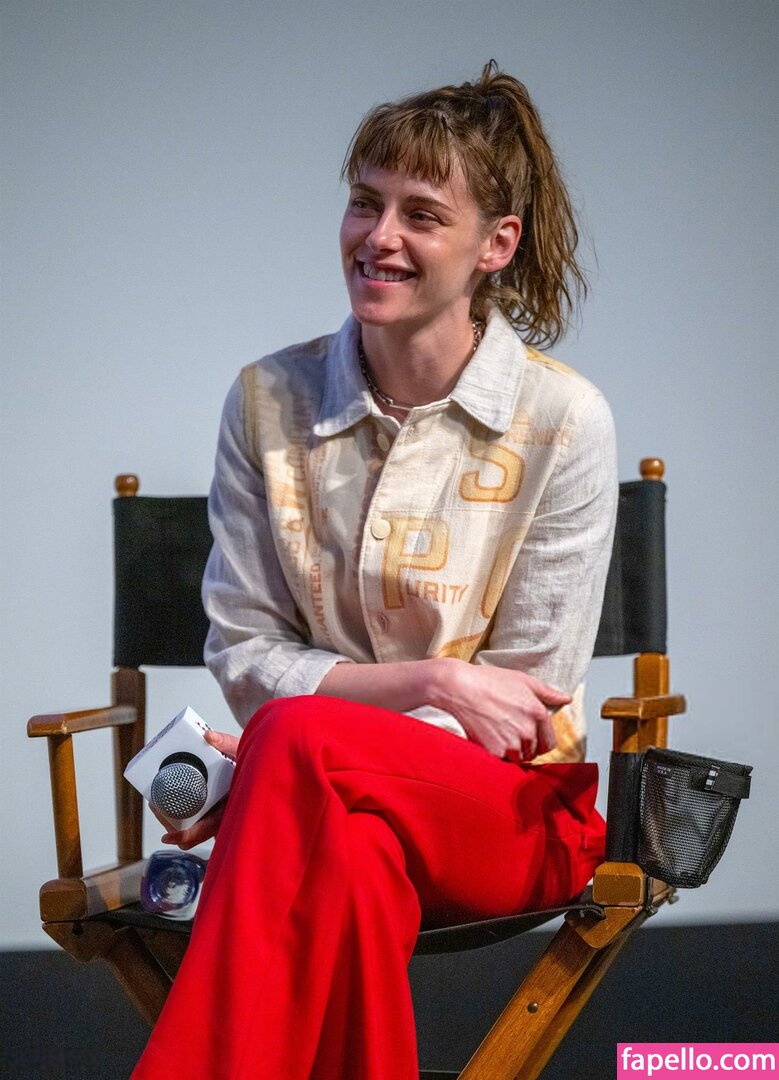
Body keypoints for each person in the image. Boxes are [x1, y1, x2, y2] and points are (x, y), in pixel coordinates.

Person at [132, 61, 618, 1080]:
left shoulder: (561, 422)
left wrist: (306, 744)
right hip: (318, 805)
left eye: (420, 215)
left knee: (296, 740)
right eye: (364, 202)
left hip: (510, 814)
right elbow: (245, 653)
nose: (377, 236)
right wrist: (431, 678)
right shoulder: (265, 400)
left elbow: (519, 710)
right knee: (347, 865)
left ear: (495, 245)